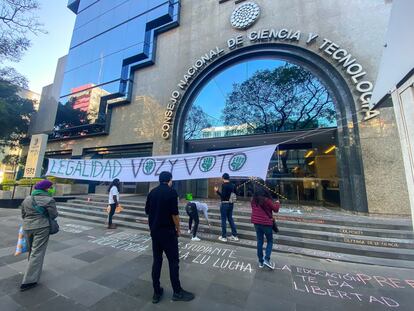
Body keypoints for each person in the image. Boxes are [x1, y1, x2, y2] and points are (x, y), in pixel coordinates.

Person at [145, 171, 195, 304]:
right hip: (168, 233)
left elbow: (147, 211)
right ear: (169, 180)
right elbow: (175, 214)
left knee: (157, 261)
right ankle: (177, 292)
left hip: (155, 233)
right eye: (171, 180)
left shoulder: (152, 192)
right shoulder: (171, 192)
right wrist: (178, 229)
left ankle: (156, 292)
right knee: (173, 262)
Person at [20, 179, 58, 291]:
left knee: (32, 250)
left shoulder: (27, 199)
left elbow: (23, 214)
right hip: (42, 227)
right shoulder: (49, 200)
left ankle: (32, 270)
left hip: (27, 226)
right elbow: (54, 215)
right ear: (46, 188)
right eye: (51, 187)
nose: (52, 189)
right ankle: (29, 281)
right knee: (37, 252)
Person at [251, 185, 280, 270]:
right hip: (266, 223)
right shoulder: (267, 200)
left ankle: (260, 261)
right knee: (270, 241)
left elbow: (254, 210)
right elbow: (276, 209)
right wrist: (277, 202)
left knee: (259, 241)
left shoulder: (253, 200)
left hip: (256, 223)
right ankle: (266, 259)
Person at [214, 173, 239, 242]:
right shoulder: (233, 185)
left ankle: (224, 237)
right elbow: (236, 194)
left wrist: (217, 191)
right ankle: (234, 235)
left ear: (223, 178)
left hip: (224, 204)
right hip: (231, 204)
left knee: (223, 220)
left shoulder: (224, 185)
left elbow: (223, 196)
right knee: (230, 219)